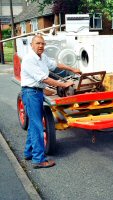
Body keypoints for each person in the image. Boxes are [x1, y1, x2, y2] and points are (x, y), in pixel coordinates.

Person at [21, 34, 82, 168]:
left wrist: (72, 69)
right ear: (32, 45)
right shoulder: (29, 59)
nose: (41, 46)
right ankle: (38, 160)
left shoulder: (42, 57)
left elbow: (55, 66)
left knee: (33, 124)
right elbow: (44, 78)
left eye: (43, 44)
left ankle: (28, 152)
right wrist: (63, 85)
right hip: (31, 93)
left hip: (37, 92)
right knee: (37, 126)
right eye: (38, 43)